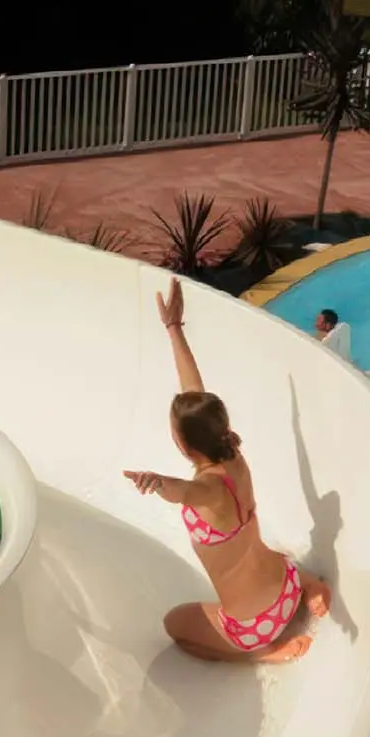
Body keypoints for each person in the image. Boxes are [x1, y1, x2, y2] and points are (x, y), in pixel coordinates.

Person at [125, 279, 332, 663]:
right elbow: (194, 390)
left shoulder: (206, 488)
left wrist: (155, 482)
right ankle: (308, 586)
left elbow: (181, 492)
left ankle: (265, 654)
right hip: (286, 585)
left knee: (175, 627)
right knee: (263, 554)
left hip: (256, 623)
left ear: (184, 444)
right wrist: (174, 329)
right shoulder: (232, 452)